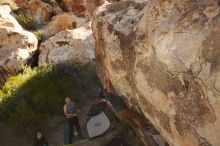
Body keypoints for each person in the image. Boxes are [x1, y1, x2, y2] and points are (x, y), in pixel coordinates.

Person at [97, 75, 158, 146]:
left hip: (120, 113)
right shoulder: (108, 95)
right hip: (123, 111)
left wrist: (105, 78)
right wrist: (107, 77)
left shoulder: (106, 98)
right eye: (102, 91)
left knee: (134, 121)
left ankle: (146, 129)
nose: (103, 90)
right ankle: (147, 131)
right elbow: (107, 86)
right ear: (103, 94)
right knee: (137, 117)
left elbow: (105, 87)